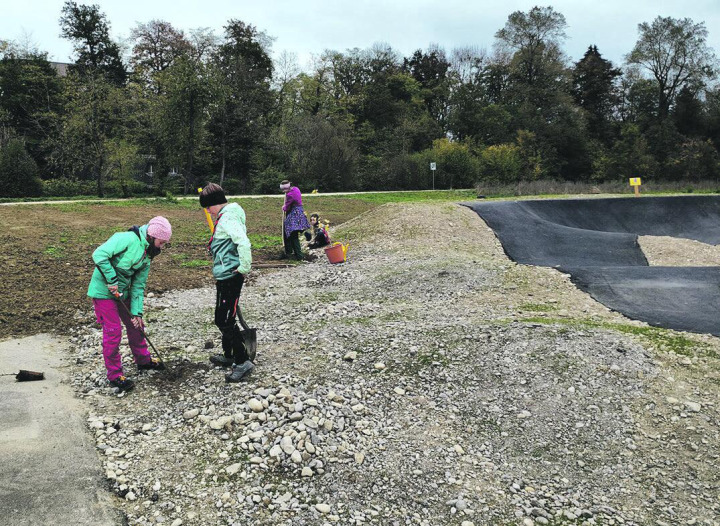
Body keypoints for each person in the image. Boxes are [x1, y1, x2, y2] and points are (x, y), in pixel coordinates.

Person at [88, 216, 172, 392]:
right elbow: (99, 254)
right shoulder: (126, 239)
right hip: (104, 292)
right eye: (161, 242)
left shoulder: (148, 256)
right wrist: (111, 279)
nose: (162, 247)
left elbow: (138, 286)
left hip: (122, 292)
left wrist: (137, 313)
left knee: (136, 325)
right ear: (151, 236)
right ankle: (115, 374)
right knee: (113, 331)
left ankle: (143, 361)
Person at [200, 183, 254, 383]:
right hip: (224, 274)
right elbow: (228, 242)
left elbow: (243, 241)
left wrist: (243, 268)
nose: (207, 211)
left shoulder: (228, 218)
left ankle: (242, 361)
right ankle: (229, 354)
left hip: (231, 276)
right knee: (224, 316)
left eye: (208, 207)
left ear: (214, 203)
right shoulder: (227, 216)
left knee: (224, 320)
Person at [280, 180, 311, 260]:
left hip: (294, 214)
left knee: (292, 234)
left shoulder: (290, 195)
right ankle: (293, 251)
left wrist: (283, 207)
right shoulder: (296, 189)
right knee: (295, 232)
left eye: (284, 190)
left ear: (287, 188)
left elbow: (287, 207)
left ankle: (298, 255)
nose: (283, 191)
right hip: (300, 212)